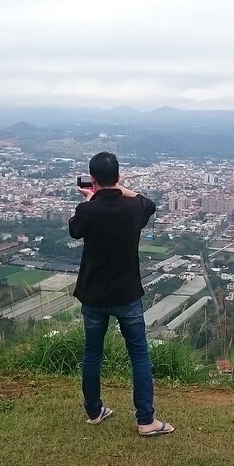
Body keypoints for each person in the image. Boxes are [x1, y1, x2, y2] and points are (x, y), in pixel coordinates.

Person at [68, 151, 174, 437]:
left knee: (92, 354)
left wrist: (91, 199)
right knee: (138, 354)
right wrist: (123, 190)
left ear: (91, 179)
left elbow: (74, 231)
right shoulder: (133, 208)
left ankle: (94, 411)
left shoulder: (87, 210)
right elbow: (149, 204)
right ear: (119, 176)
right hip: (127, 294)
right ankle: (145, 420)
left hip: (93, 295)